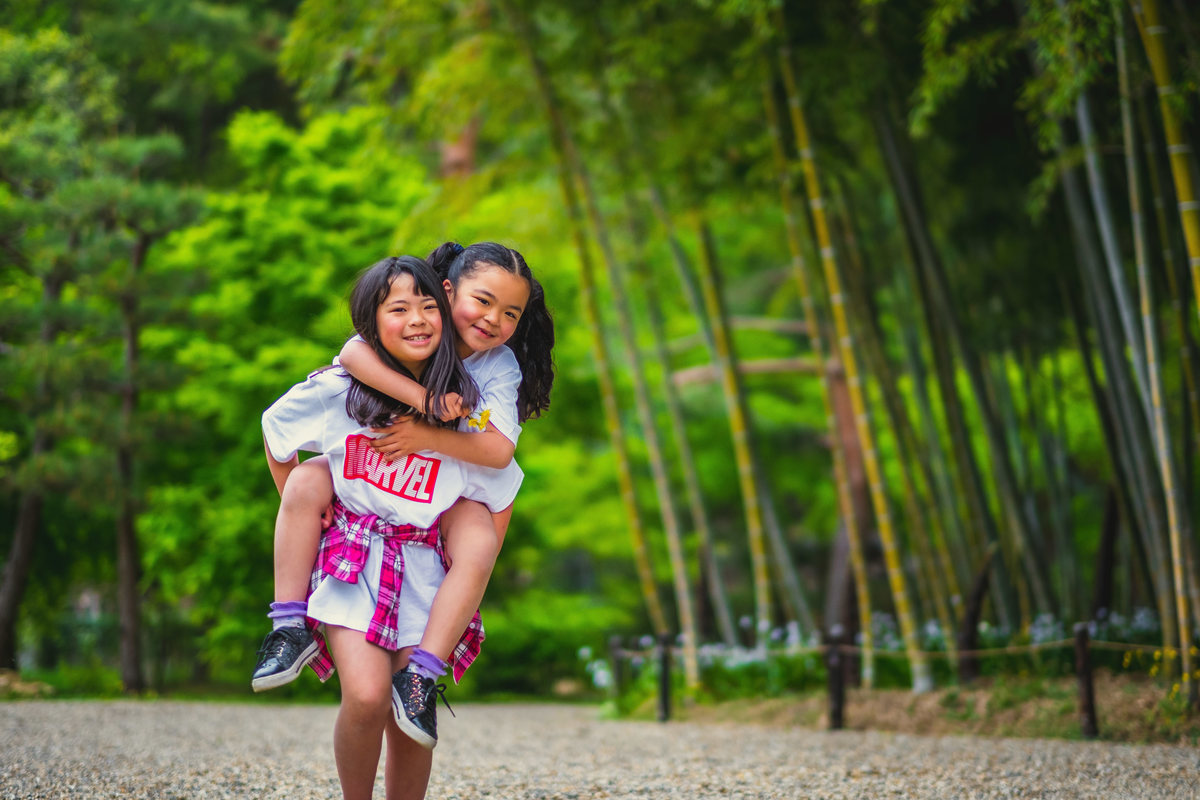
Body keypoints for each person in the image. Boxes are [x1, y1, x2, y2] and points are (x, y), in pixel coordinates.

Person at [252, 242, 555, 750]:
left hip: (445, 487)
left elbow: (500, 455)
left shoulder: (494, 365)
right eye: (482, 301)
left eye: (510, 313)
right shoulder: (412, 334)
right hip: (370, 497)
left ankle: (422, 673)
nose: (493, 319)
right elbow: (351, 353)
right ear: (448, 291)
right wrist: (422, 400)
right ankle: (289, 624)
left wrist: (428, 433)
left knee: (478, 542)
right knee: (306, 482)